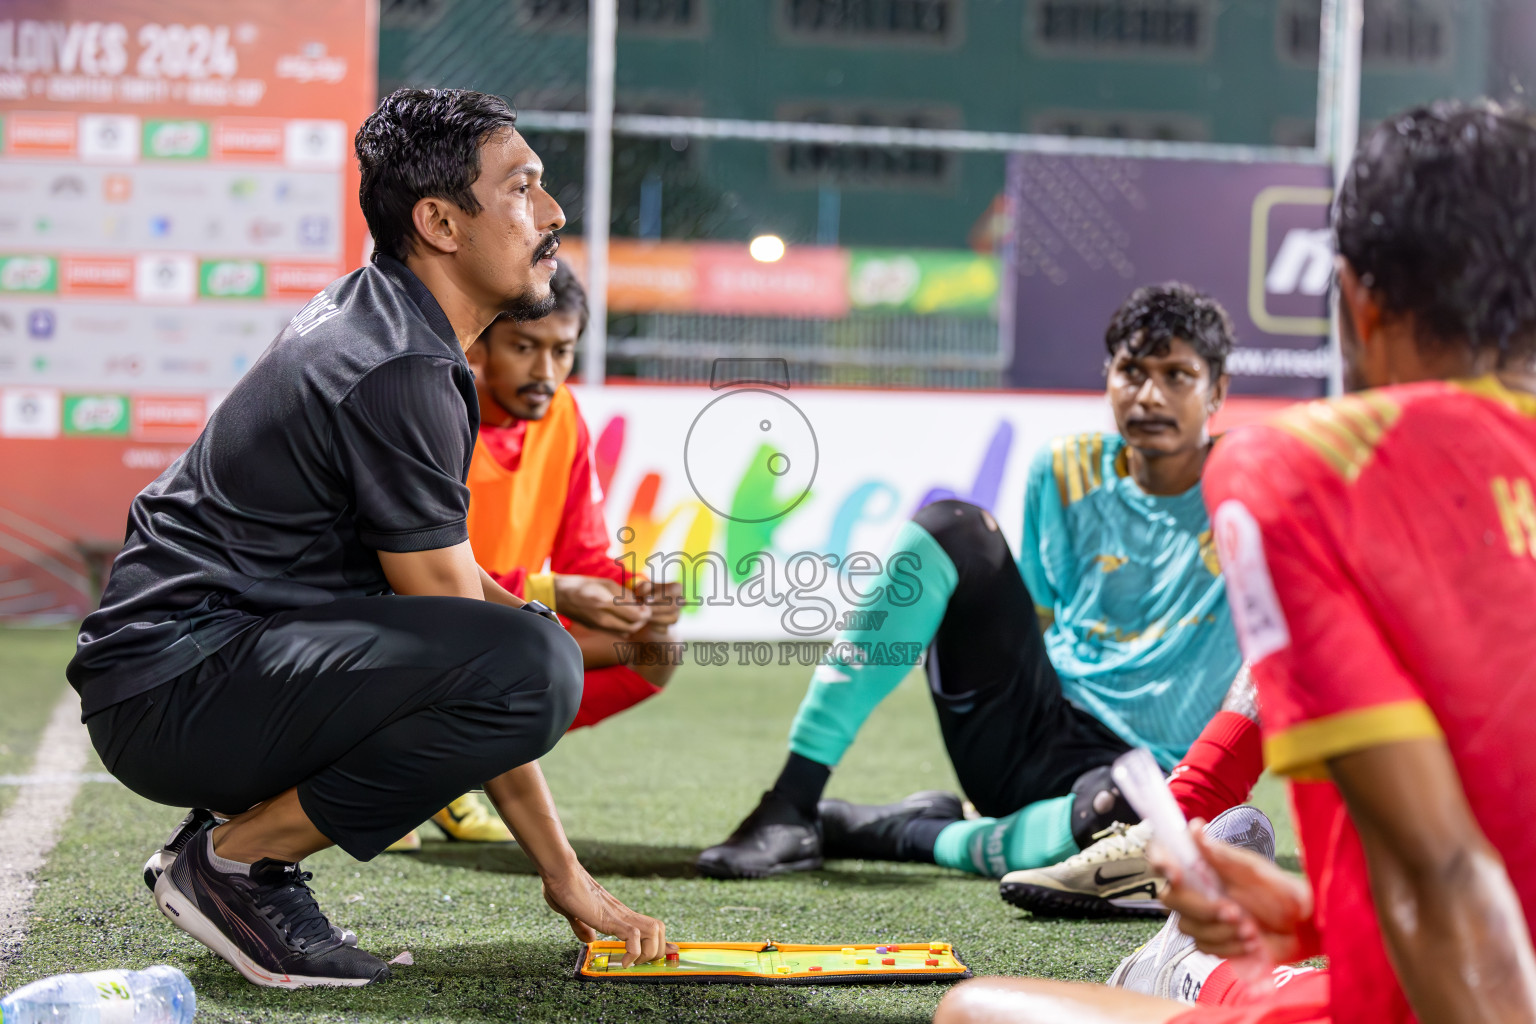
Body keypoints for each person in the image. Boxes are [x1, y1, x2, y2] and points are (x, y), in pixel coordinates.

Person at [934, 98, 1536, 1024]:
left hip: (1452, 988)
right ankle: (1189, 923)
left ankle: (1182, 952)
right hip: (1457, 955)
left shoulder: (1299, 467)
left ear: (1356, 297)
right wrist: (1313, 916)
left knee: (974, 1010)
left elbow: (1445, 869)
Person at [71, 88, 670, 988]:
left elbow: (462, 601)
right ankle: (235, 862)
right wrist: (567, 876)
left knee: (528, 652)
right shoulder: (401, 365)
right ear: (439, 222)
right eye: (522, 188)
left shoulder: (385, 320)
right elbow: (485, 652)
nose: (550, 216)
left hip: (182, 668)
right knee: (534, 668)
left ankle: (232, 844)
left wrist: (562, 868)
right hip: (175, 686)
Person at [698, 284, 1263, 898]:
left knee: (1136, 820)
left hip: (1147, 774)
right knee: (954, 528)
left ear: (1219, 392)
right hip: (1034, 733)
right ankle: (790, 803)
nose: (1150, 395)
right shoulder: (1065, 467)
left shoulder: (1254, 485)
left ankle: (914, 834)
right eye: (1132, 371)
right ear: (1108, 378)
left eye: (1178, 375)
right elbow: (1041, 622)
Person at [389, 262, 682, 850]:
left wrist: (637, 591)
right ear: (481, 344)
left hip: (504, 625)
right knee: (507, 648)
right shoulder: (437, 412)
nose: (545, 372)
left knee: (650, 646)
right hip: (411, 628)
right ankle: (382, 771)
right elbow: (413, 576)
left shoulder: (563, 417)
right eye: (524, 347)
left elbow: (585, 554)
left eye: (562, 351)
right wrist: (552, 592)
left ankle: (450, 772)